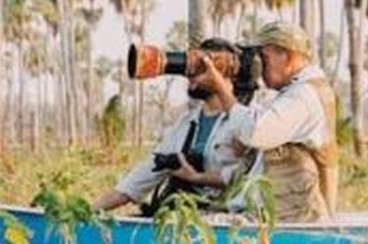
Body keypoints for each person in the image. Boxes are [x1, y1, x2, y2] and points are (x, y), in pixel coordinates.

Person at [94, 39, 255, 214]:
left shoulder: (250, 121)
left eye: (204, 66)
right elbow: (137, 182)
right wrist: (87, 212)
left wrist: (199, 178)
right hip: (186, 220)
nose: (191, 73)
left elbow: (247, 178)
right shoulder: (186, 125)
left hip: (228, 225)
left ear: (229, 72)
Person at [224, 22, 339, 222]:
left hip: (294, 219)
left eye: (264, 58)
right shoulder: (292, 94)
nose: (259, 66)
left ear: (287, 56)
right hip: (284, 215)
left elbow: (256, 133)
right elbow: (237, 145)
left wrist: (222, 92)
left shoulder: (305, 95)